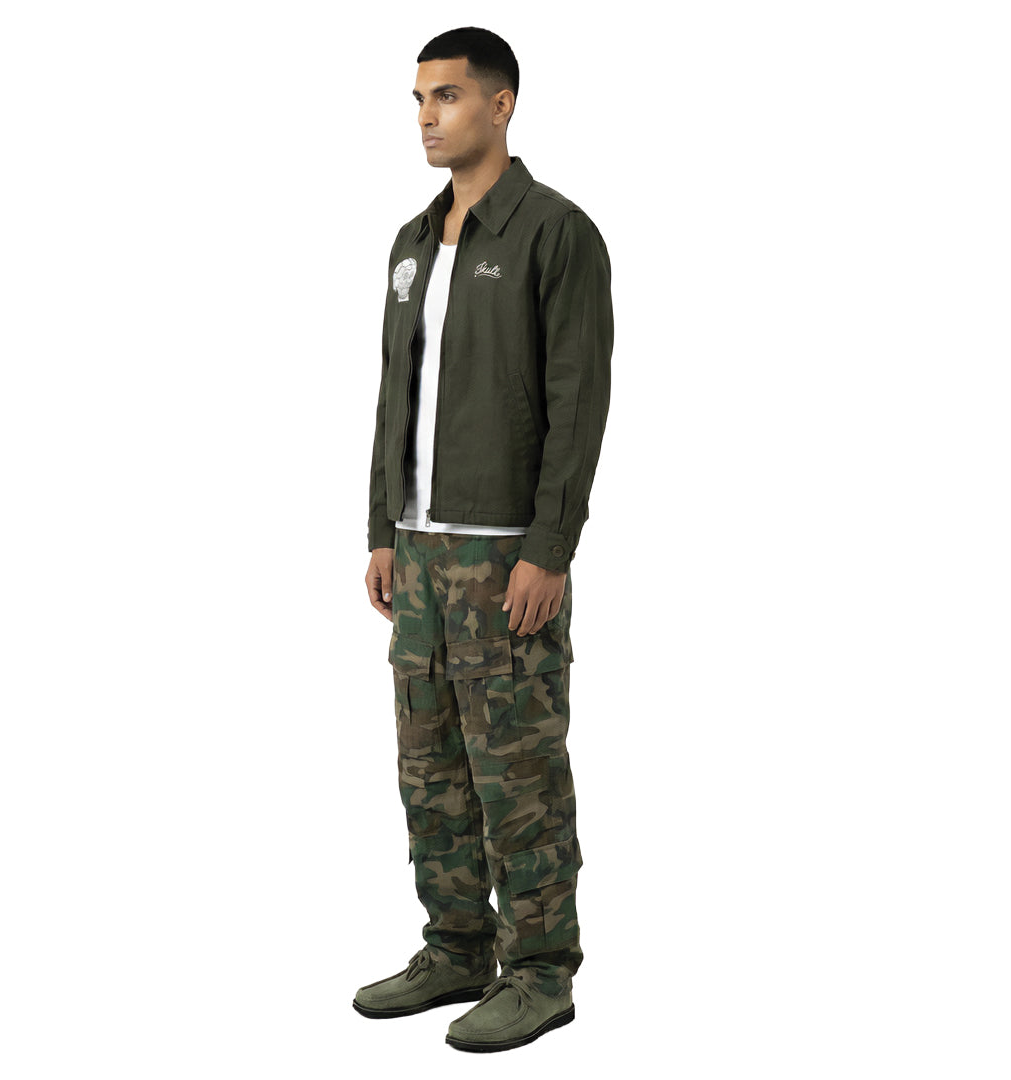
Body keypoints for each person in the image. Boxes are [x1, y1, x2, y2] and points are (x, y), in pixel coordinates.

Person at [355, 26, 613, 1053]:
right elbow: (395, 396)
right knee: (430, 770)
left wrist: (550, 547)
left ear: (501, 104)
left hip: (504, 554)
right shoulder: (412, 243)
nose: (428, 116)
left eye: (449, 96)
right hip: (418, 555)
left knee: (519, 774)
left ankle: (541, 971)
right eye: (419, 98)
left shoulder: (556, 233)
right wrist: (383, 527)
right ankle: (457, 949)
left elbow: (577, 402)